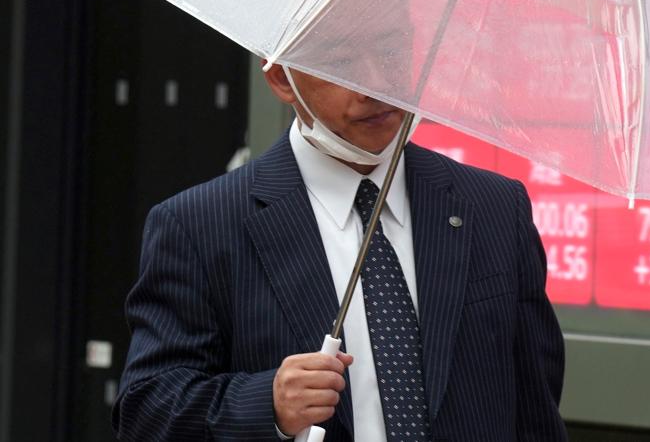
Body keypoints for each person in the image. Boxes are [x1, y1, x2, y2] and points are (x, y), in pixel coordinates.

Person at [112, 62, 568, 441]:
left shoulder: (493, 207)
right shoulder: (199, 223)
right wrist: (267, 403)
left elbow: (535, 408)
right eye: (341, 63)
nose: (374, 85)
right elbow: (147, 411)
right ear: (280, 78)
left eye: (390, 52)